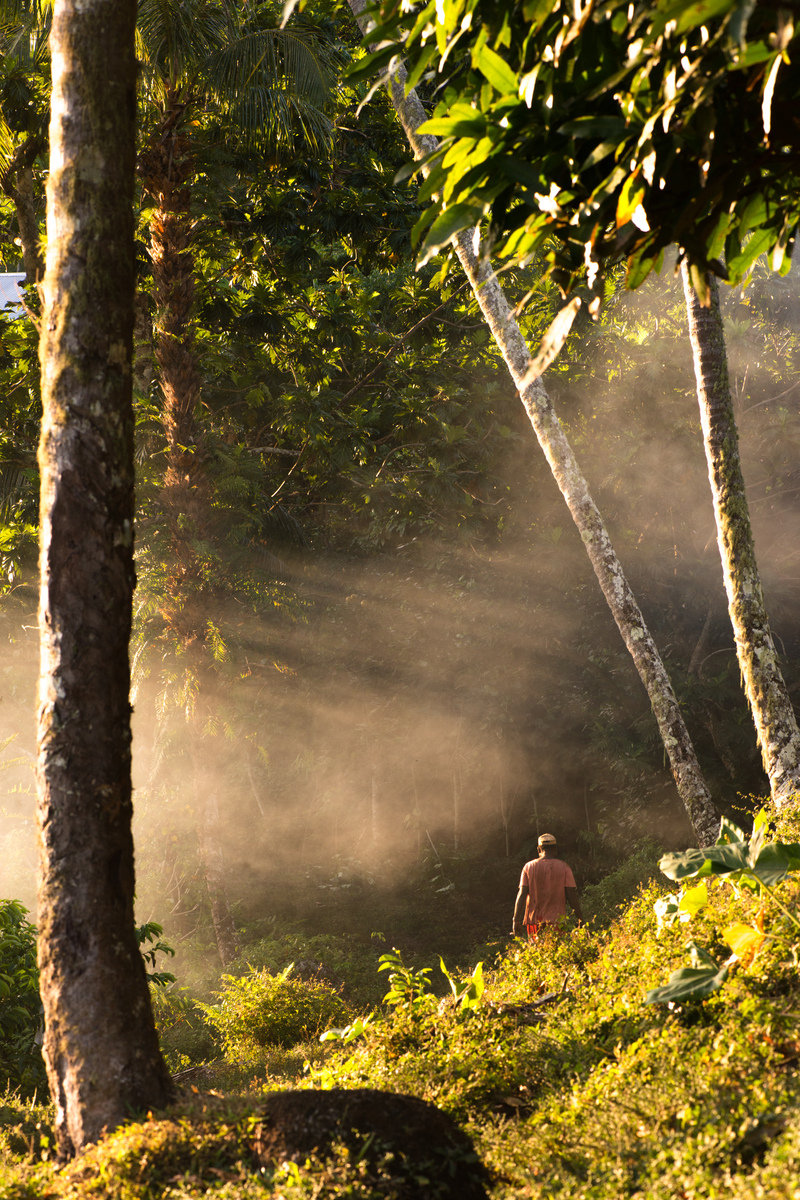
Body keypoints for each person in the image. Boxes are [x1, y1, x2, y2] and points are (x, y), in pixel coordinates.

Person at [511, 833, 583, 941]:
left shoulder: (528, 867)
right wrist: (580, 918)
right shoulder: (564, 867)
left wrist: (516, 920)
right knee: (556, 952)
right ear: (555, 849)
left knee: (537, 953)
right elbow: (571, 895)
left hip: (534, 921)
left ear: (539, 849)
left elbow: (522, 894)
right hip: (557, 921)